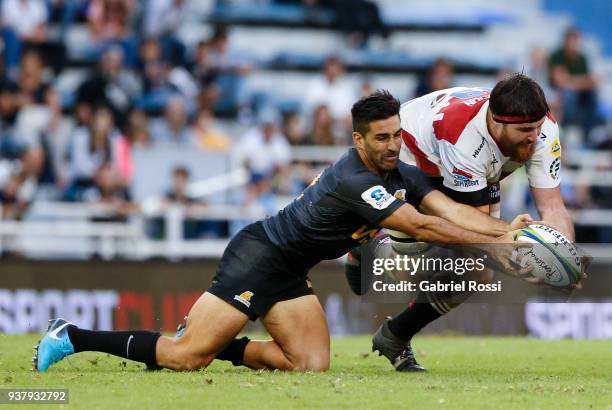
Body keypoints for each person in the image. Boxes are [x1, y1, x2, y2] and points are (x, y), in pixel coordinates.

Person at [33, 90, 530, 373]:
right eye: (382, 138)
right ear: (358, 140)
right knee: (185, 359)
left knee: (309, 365)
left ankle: (218, 341)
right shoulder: (354, 179)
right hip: (259, 255)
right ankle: (72, 336)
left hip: (291, 268)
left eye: (398, 134)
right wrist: (495, 242)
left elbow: (447, 207)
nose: (393, 145)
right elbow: (420, 224)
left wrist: (502, 229)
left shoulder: (399, 171)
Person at [346, 74, 580, 372]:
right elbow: (471, 233)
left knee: (478, 274)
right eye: (524, 130)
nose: (534, 137)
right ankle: (370, 248)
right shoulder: (465, 138)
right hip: (415, 158)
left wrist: (565, 258)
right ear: (496, 123)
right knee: (415, 271)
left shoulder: (543, 127)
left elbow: (552, 206)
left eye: (536, 128)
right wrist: (528, 263)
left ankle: (395, 336)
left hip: (477, 165)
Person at [549, 29, 600, 144]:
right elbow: (559, 81)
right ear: (566, 41)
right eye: (573, 41)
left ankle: (588, 135)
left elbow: (591, 81)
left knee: (592, 95)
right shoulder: (557, 56)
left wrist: (570, 80)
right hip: (559, 92)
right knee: (568, 94)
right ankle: (566, 129)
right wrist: (580, 82)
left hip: (580, 92)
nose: (576, 44)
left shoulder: (582, 58)